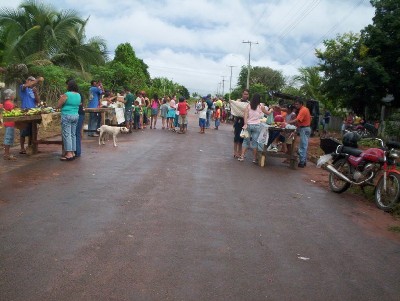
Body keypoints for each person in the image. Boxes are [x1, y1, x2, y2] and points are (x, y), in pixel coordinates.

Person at [238, 93, 271, 164]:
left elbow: (245, 116)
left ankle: (242, 156)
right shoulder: (260, 106)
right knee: (255, 143)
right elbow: (268, 113)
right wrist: (271, 110)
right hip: (257, 126)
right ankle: (254, 158)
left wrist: (245, 124)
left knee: (246, 141)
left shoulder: (248, 106)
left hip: (248, 125)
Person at [57, 80, 81, 161]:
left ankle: (69, 153)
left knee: (67, 134)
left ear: (69, 86)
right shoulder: (78, 95)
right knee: (73, 134)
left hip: (67, 115)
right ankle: (73, 152)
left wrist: (61, 98)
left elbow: (59, 105)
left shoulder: (66, 94)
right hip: (75, 115)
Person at [19, 76, 42, 154]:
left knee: (32, 130)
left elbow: (38, 101)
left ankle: (30, 146)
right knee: (23, 131)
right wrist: (37, 80)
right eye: (32, 81)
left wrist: (35, 93)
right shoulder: (23, 87)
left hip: (33, 112)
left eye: (34, 81)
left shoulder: (32, 90)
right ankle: (22, 148)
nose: (33, 83)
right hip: (25, 112)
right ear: (27, 81)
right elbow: (25, 86)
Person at [287, 99, 311, 168]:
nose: (296, 106)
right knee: (304, 144)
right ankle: (303, 161)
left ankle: (302, 162)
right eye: (295, 104)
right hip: (304, 128)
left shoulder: (303, 110)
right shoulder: (303, 109)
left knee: (303, 145)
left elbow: (297, 119)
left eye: (297, 104)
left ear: (301, 104)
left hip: (304, 128)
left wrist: (288, 122)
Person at [233, 89, 249, 158]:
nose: (245, 95)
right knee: (236, 137)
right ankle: (235, 152)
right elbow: (235, 108)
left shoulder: (248, 103)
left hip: (245, 121)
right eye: (244, 94)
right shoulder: (238, 101)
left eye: (247, 94)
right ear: (242, 94)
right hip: (238, 120)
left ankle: (240, 152)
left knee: (242, 137)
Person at [2, 89, 17, 160]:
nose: (14, 96)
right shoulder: (8, 103)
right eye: (12, 95)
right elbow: (14, 110)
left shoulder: (9, 102)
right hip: (9, 123)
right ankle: (6, 154)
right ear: (10, 96)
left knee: (9, 138)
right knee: (8, 138)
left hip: (10, 123)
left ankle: (7, 153)